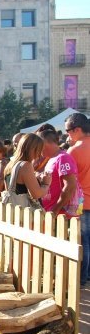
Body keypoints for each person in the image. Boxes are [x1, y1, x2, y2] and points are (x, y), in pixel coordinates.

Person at [66, 112, 90, 286]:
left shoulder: (74, 151)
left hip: (82, 201)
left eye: (69, 131)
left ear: (78, 129)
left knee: (83, 240)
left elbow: (69, 180)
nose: (67, 134)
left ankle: (82, 277)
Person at [38, 128, 80, 217]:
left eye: (37, 145)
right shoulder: (52, 158)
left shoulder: (63, 158)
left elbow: (70, 185)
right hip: (53, 213)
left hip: (62, 215)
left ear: (43, 143)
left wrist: (55, 209)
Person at [3, 133, 51, 205]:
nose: (40, 154)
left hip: (12, 209)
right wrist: (46, 184)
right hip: (23, 211)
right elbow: (36, 194)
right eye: (40, 149)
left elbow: (10, 187)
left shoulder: (10, 164)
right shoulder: (26, 165)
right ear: (34, 149)